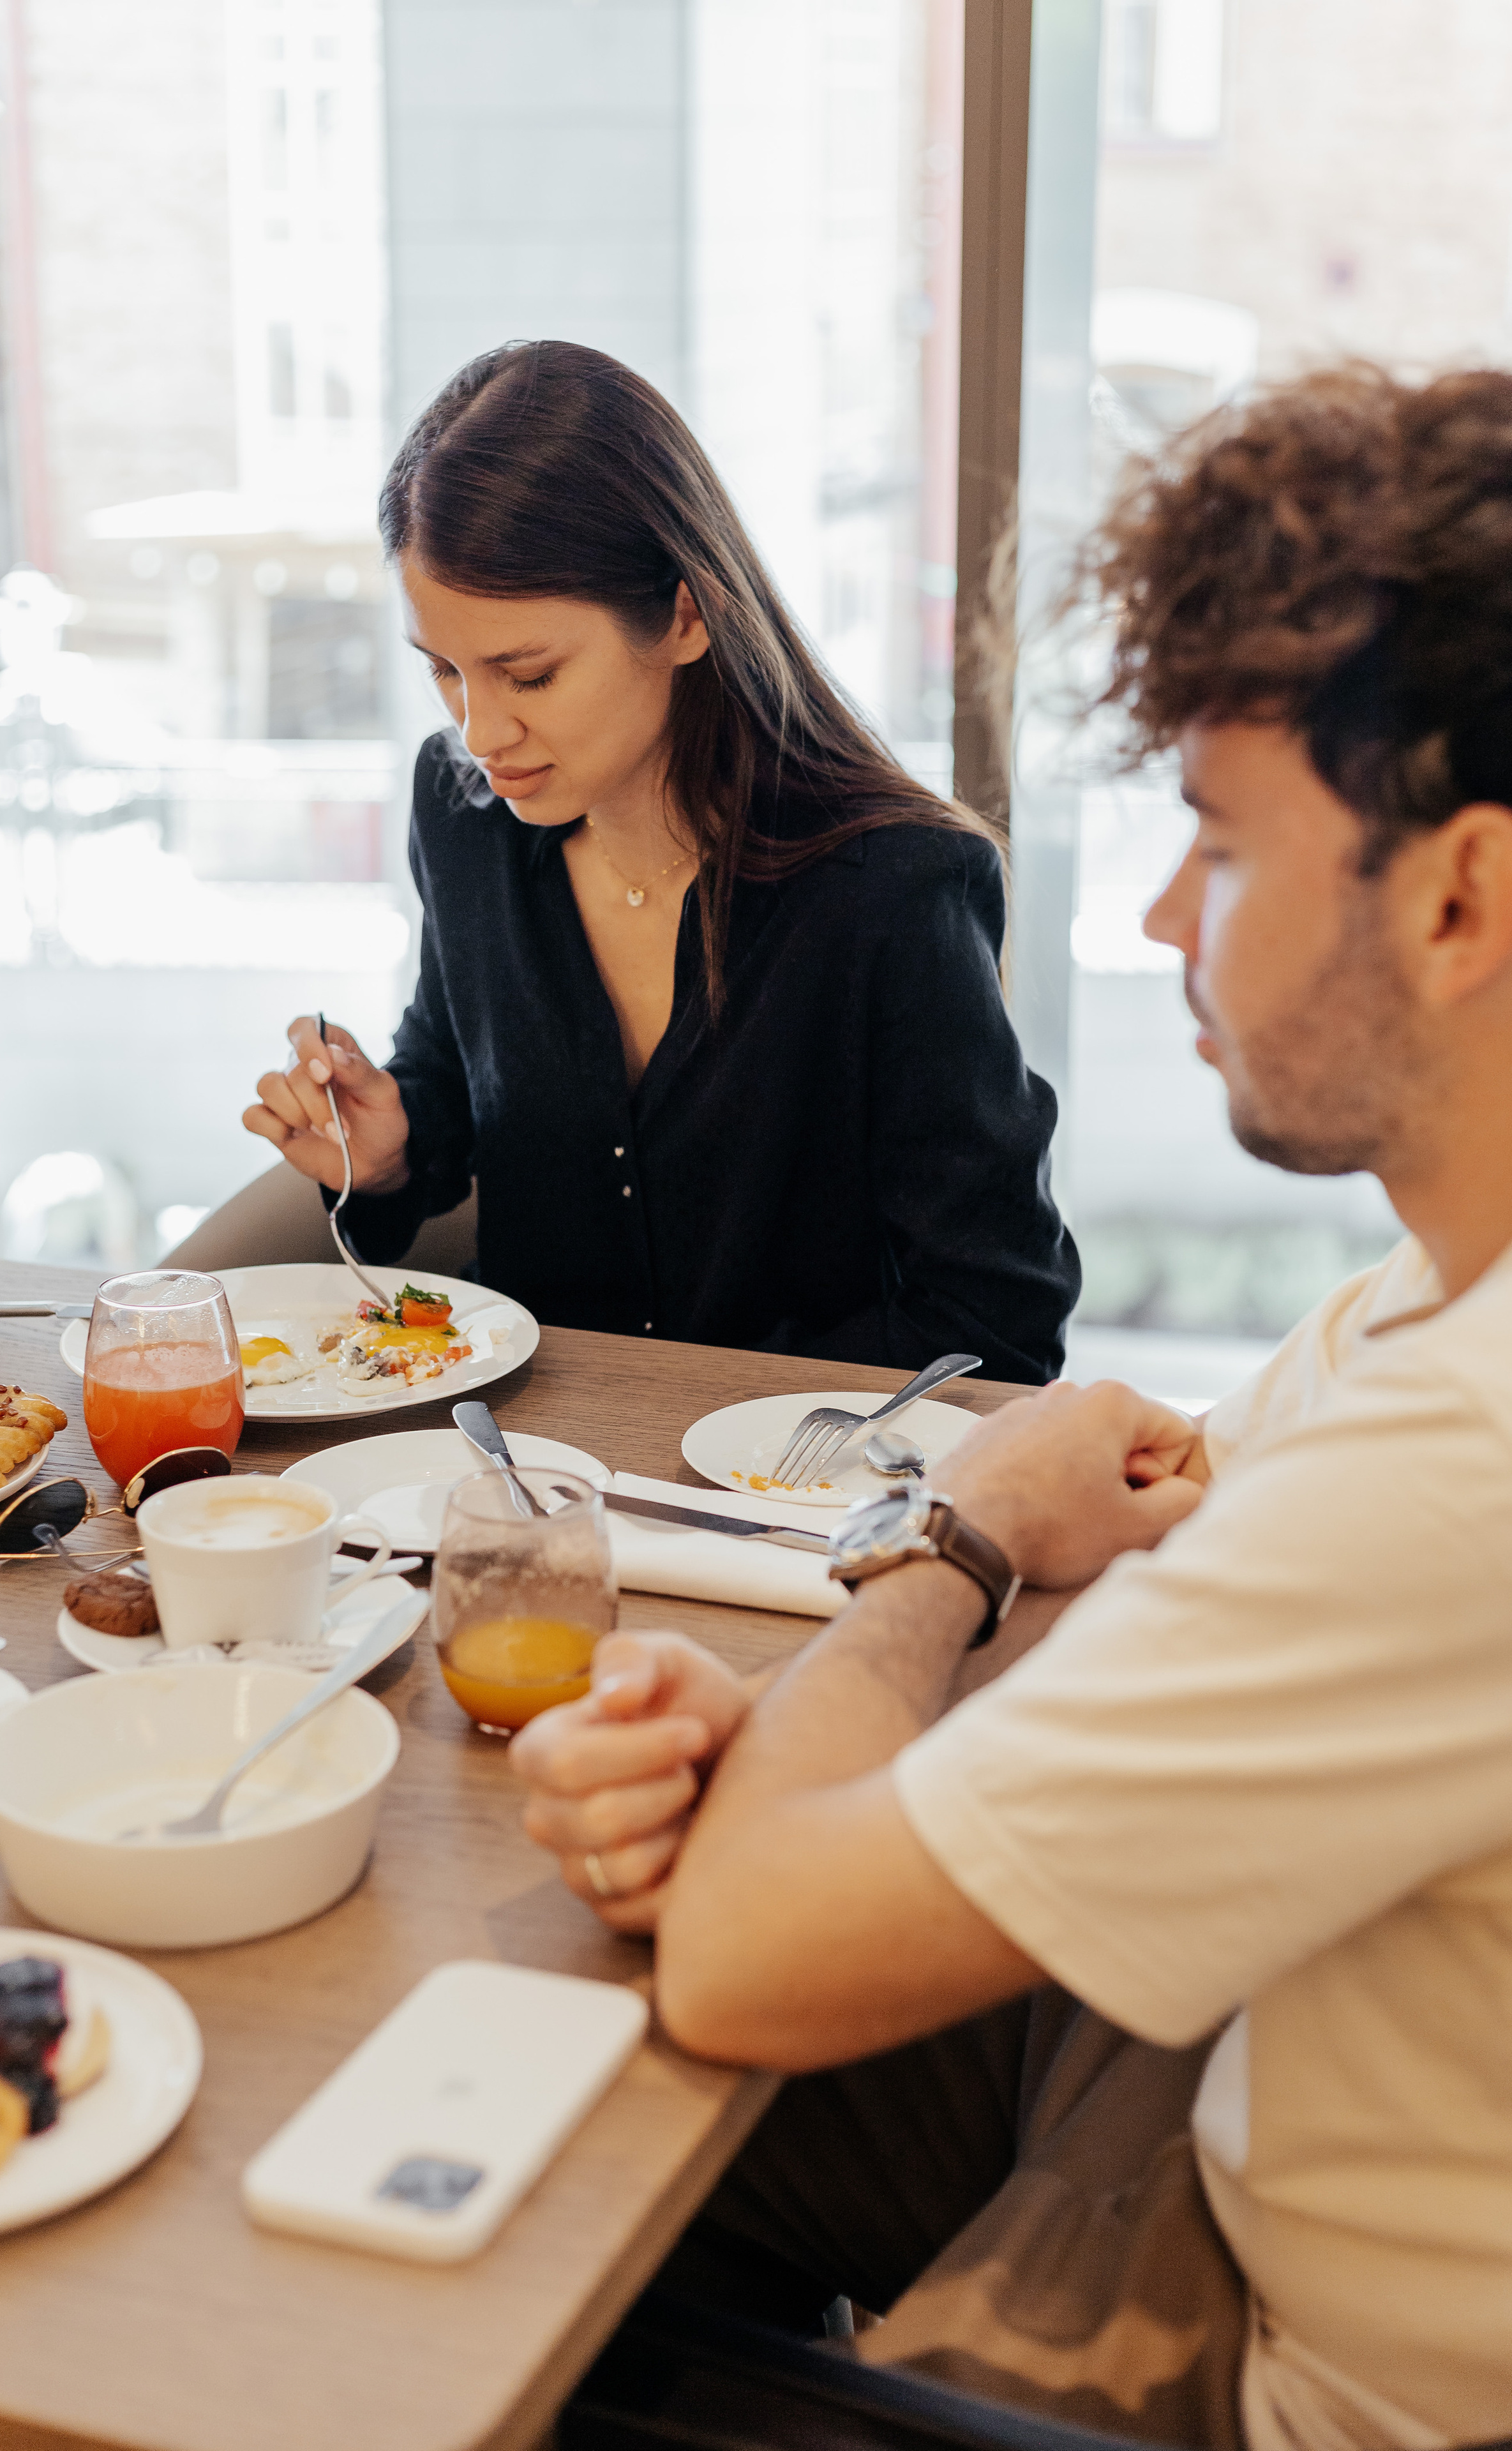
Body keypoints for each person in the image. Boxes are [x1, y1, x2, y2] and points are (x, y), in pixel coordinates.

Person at [511, 364, 1512, 2450]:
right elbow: (1170, 1605)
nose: (1160, 920)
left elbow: (749, 1961)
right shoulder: (1420, 1312)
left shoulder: (1464, 1468)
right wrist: (796, 1722)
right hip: (1228, 2071)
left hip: (1279, 2358)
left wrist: (941, 1548)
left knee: (497, 2246)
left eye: (1221, 848)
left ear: (1459, 896)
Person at [242, 340, 1078, 1377]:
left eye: (529, 674)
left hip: (800, 1492)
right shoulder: (463, 814)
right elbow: (458, 1071)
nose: (481, 730)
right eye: (445, 672)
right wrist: (390, 1150)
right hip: (527, 1477)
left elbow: (999, 1319)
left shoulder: (892, 889)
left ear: (686, 614)